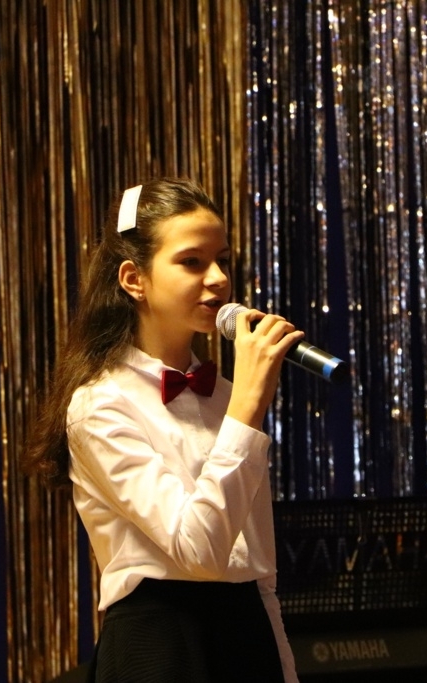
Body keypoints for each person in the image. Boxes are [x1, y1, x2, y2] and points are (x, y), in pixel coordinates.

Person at [26, 178, 301, 682]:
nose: (218, 279)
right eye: (192, 262)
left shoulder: (226, 396)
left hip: (248, 637)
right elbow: (198, 551)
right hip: (160, 645)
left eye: (223, 260)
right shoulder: (100, 405)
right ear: (134, 279)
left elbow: (260, 574)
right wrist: (247, 407)